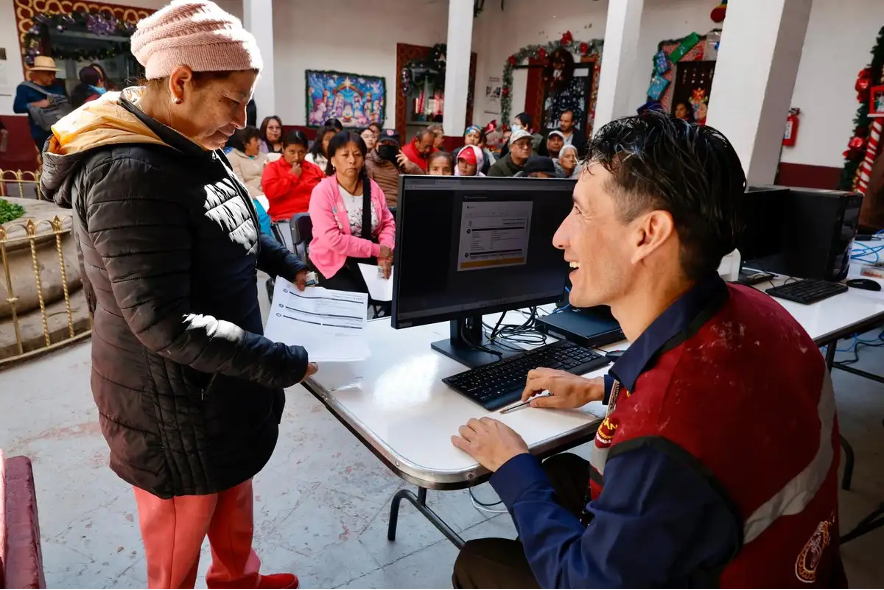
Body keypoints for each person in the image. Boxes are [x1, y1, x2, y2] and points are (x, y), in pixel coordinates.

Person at [450, 111, 845, 589]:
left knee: (481, 561)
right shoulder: (760, 311)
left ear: (647, 234)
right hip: (793, 561)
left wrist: (514, 468)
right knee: (555, 474)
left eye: (581, 211)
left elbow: (585, 583)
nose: (560, 237)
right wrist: (599, 387)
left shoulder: (666, 438)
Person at [39, 2, 315, 588]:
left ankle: (238, 581)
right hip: (170, 408)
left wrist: (286, 263)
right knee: (178, 545)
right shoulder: (130, 173)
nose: (241, 120)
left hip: (222, 389)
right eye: (234, 99)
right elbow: (163, 322)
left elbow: (233, 221)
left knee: (232, 505)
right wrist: (283, 361)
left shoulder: (189, 139)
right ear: (183, 82)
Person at [308, 131, 396, 293]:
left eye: (357, 154)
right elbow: (333, 240)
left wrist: (385, 254)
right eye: (345, 155)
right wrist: (377, 250)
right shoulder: (323, 192)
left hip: (368, 259)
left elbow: (387, 223)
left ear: (363, 160)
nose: (352, 160)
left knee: (398, 290)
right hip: (333, 261)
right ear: (333, 160)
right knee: (358, 297)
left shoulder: (373, 188)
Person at [262, 130, 324, 221]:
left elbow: (328, 191)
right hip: (284, 219)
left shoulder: (314, 169)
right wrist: (291, 176)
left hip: (314, 218)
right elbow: (270, 193)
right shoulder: (273, 168)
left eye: (301, 152)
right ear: (283, 148)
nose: (297, 157)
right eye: (292, 152)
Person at [13, 56, 69, 150]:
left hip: (62, 129)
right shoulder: (25, 88)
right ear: (38, 73)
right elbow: (17, 108)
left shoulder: (58, 86)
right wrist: (36, 104)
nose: (52, 77)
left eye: (53, 74)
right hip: (42, 133)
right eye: (49, 74)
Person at [226, 126, 272, 232]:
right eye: (256, 140)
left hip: (267, 195)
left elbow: (270, 179)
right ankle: (268, 245)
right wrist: (261, 196)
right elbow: (240, 184)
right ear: (245, 143)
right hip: (249, 197)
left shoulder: (264, 157)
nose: (259, 143)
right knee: (263, 214)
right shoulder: (232, 158)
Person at [365, 129, 423, 207]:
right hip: (384, 209)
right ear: (377, 145)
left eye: (392, 144)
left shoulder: (402, 163)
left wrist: (411, 167)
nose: (388, 146)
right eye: (384, 143)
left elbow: (422, 183)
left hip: (404, 208)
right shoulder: (368, 163)